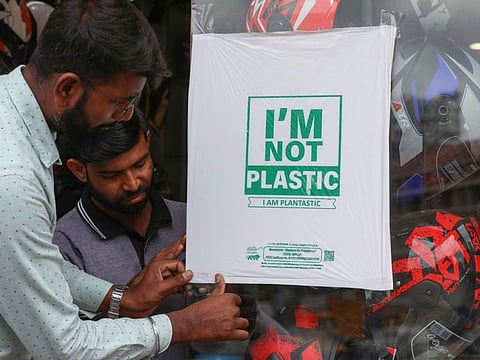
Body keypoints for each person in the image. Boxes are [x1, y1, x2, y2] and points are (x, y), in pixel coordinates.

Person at [0, 0, 251, 358]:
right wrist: (182, 325)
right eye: (121, 103)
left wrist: (123, 299)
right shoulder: (13, 182)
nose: (123, 119)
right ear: (67, 90)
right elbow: (63, 347)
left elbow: (30, 273)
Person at [53, 110, 188, 359]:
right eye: (111, 175)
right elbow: (70, 345)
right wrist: (132, 295)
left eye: (140, 164)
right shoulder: (61, 243)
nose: (133, 184)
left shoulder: (188, 221)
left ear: (148, 141)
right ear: (79, 170)